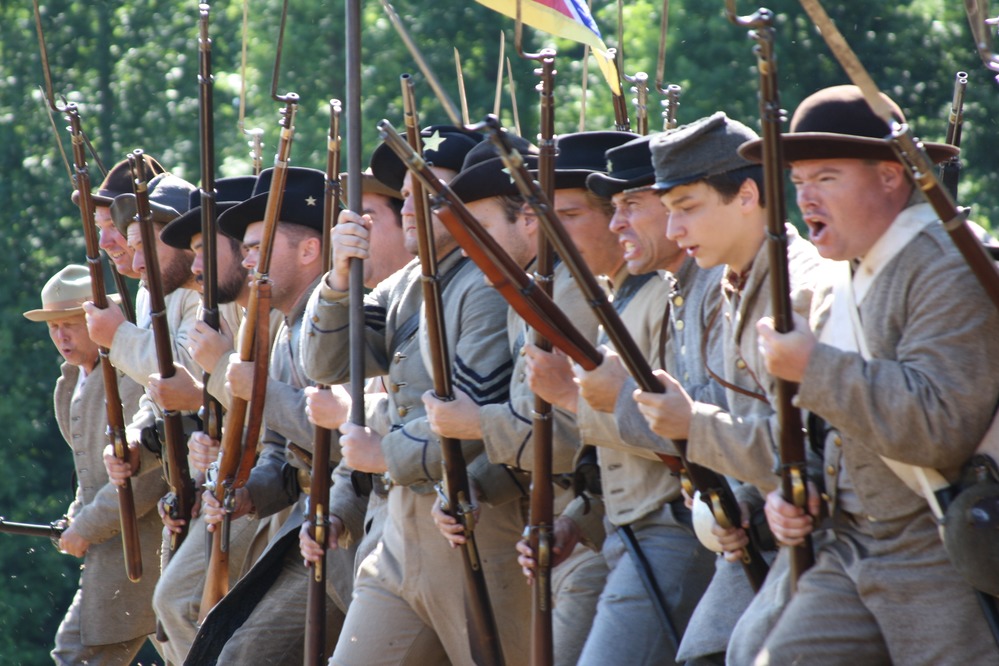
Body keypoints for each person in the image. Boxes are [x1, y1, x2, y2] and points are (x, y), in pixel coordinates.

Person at [743, 85, 999, 665]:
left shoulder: (949, 265)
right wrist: (799, 488)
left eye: (826, 177)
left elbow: (940, 427)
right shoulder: (848, 274)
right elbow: (837, 429)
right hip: (850, 546)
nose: (805, 197)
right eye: (800, 179)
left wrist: (814, 367)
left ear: (889, 176)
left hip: (939, 550)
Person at [301, 124, 529, 665]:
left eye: (426, 191)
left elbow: (473, 414)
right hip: (398, 535)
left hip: (474, 524)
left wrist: (384, 453)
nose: (408, 206)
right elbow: (327, 362)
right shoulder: (405, 283)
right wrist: (336, 279)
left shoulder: (486, 285)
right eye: (404, 194)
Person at [423, 130, 635, 666]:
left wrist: (475, 427)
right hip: (571, 519)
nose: (479, 246)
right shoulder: (535, 290)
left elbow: (567, 433)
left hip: (600, 513)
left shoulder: (567, 291)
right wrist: (477, 482)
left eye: (487, 227)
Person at [628, 112, 826, 665]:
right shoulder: (732, 286)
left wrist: (693, 427)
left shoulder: (799, 289)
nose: (673, 232)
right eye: (668, 213)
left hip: (824, 539)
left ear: (745, 194)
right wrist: (733, 503)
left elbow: (809, 452)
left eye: (687, 208)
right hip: (760, 534)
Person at [526, 134, 718, 665]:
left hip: (672, 531)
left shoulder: (669, 292)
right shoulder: (637, 294)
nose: (617, 223)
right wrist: (580, 519)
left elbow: (686, 432)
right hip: (627, 531)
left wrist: (570, 398)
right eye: (612, 208)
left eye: (631, 205)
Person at [185, 166, 358, 665]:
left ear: (309, 252)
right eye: (245, 247)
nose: (245, 257)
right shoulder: (285, 326)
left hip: (352, 529)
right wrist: (245, 496)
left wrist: (261, 390)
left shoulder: (345, 321)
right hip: (310, 528)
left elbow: (343, 436)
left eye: (260, 246)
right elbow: (285, 455)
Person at [25, 265, 159, 665]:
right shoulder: (69, 383)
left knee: (79, 653)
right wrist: (76, 516)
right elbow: (91, 475)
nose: (61, 337)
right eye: (54, 327)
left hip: (147, 549)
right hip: (111, 554)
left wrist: (86, 525)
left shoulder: (130, 376)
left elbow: (148, 478)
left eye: (72, 324)